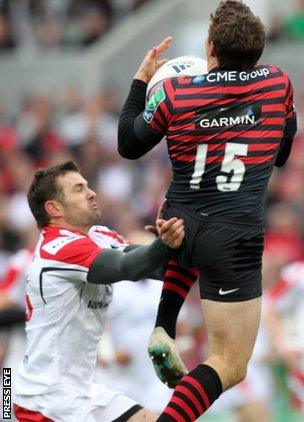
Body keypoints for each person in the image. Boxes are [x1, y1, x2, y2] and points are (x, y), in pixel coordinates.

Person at [117, 0, 297, 420]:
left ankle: (165, 323)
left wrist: (142, 80)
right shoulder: (277, 83)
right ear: (258, 49)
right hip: (232, 235)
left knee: (188, 242)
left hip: (178, 220)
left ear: (211, 47)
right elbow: (284, 152)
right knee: (230, 364)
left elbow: (128, 145)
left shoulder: (177, 91)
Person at [13, 160, 184, 422]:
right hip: (33, 387)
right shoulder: (52, 250)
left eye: (87, 185)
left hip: (81, 388)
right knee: (4, 406)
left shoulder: (99, 237)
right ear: (53, 208)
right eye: (79, 188)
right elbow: (129, 267)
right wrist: (163, 246)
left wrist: (183, 242)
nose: (91, 192)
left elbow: (153, 266)